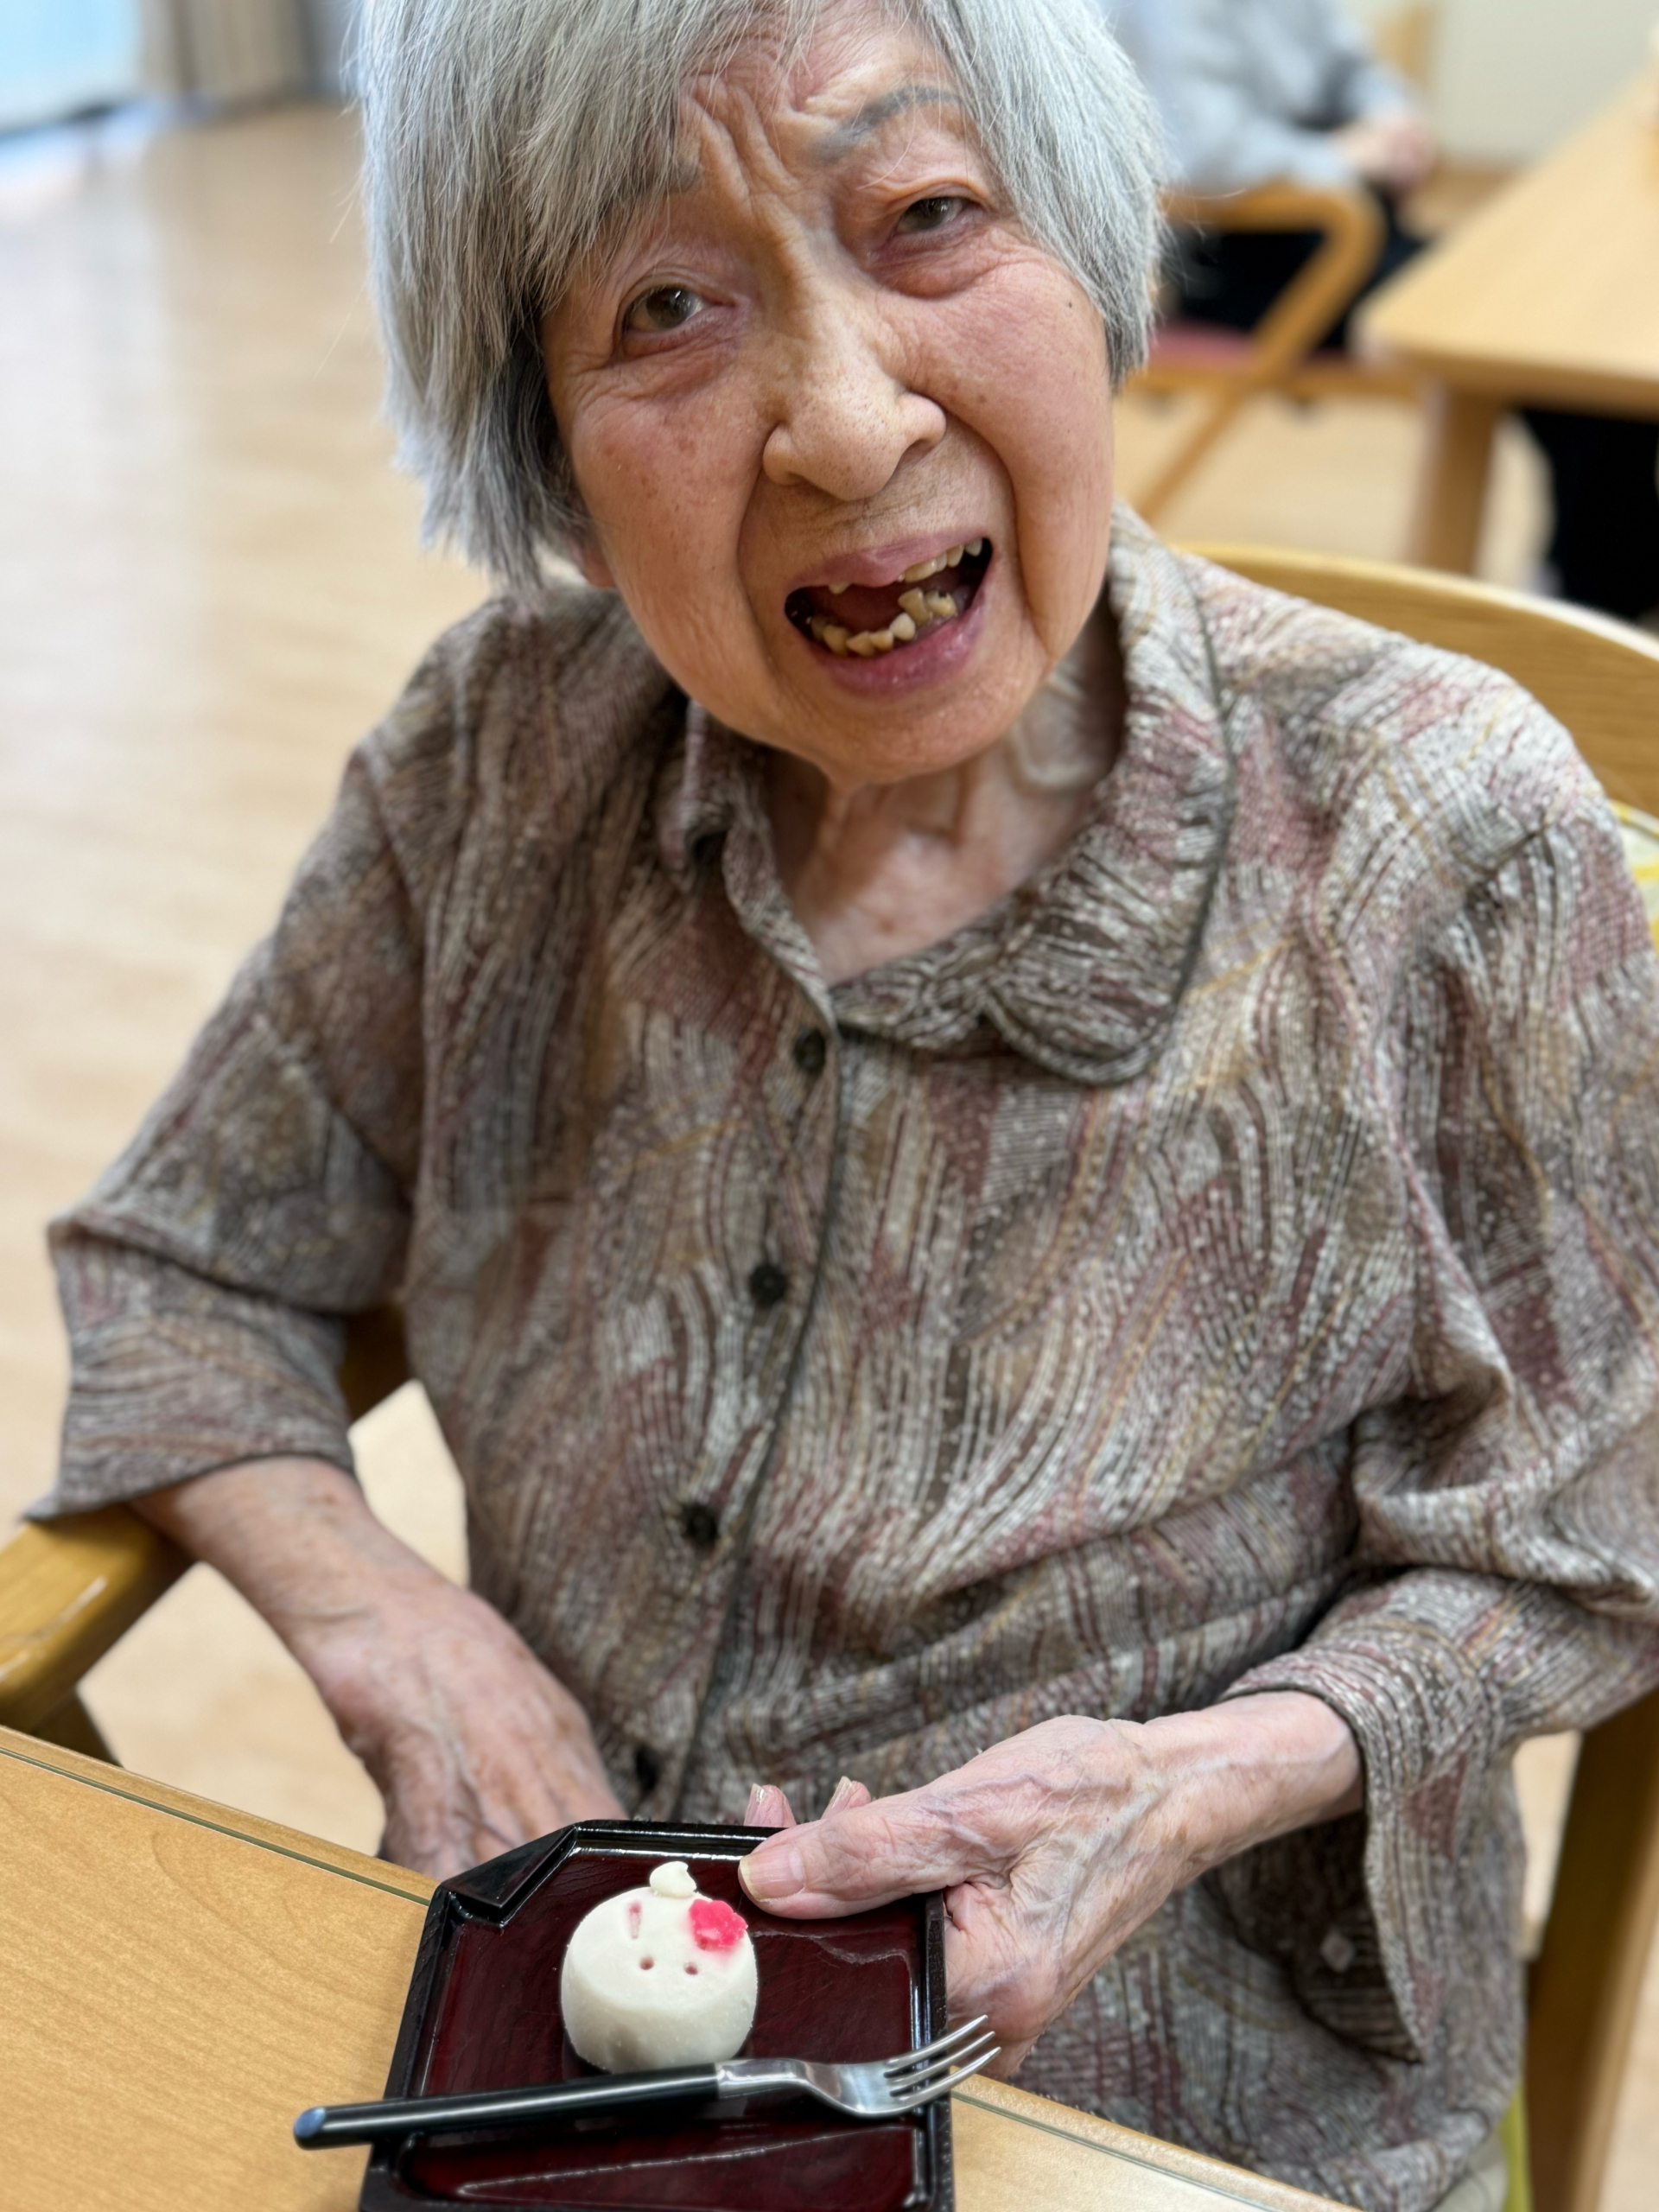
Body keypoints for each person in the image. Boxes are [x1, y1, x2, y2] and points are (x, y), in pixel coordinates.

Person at [40, 3, 1659, 2208]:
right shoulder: (499, 766)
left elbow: (1604, 1518)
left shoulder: (1439, 835)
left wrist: (1195, 1778)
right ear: (547, 460)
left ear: (1093, 259)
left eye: (928, 215)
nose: (843, 416)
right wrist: (391, 1630)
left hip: (1168, 2112)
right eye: (665, 308)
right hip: (561, 2087)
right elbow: (182, 1260)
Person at [1111, 0, 1659, 624]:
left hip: (1345, 227)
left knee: (1566, 312)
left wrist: (1393, 118)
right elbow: (1205, 156)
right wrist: (1350, 156)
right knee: (1534, 345)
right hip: (1255, 257)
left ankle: (1610, 571)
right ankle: (1595, 589)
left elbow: (1352, 66)